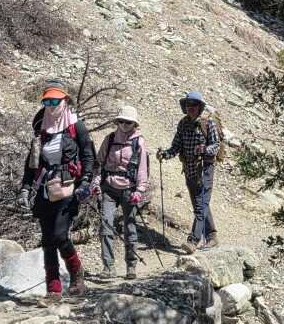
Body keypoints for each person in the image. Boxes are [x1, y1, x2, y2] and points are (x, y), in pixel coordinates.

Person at [19, 80, 94, 300]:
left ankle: (76, 274)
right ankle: (53, 289)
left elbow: (88, 155)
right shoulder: (40, 127)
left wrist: (86, 181)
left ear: (65, 101)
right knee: (47, 240)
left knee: (60, 236)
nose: (51, 106)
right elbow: (32, 162)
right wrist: (25, 188)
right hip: (45, 189)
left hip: (68, 188)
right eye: (47, 101)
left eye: (55, 101)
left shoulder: (76, 126)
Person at [91, 104, 149, 280]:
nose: (124, 125)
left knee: (129, 227)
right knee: (106, 225)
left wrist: (140, 190)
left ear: (134, 124)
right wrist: (95, 182)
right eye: (121, 121)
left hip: (129, 190)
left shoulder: (139, 142)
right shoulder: (109, 139)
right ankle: (108, 267)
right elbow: (99, 163)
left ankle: (131, 266)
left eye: (128, 122)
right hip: (108, 187)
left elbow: (142, 169)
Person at [156, 91, 219, 253]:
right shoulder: (183, 124)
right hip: (190, 170)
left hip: (205, 169)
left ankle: (193, 241)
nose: (191, 107)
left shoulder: (208, 123)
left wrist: (204, 149)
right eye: (188, 104)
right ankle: (212, 236)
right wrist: (165, 154)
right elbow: (176, 146)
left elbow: (216, 146)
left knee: (201, 205)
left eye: (194, 105)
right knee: (200, 204)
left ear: (200, 107)